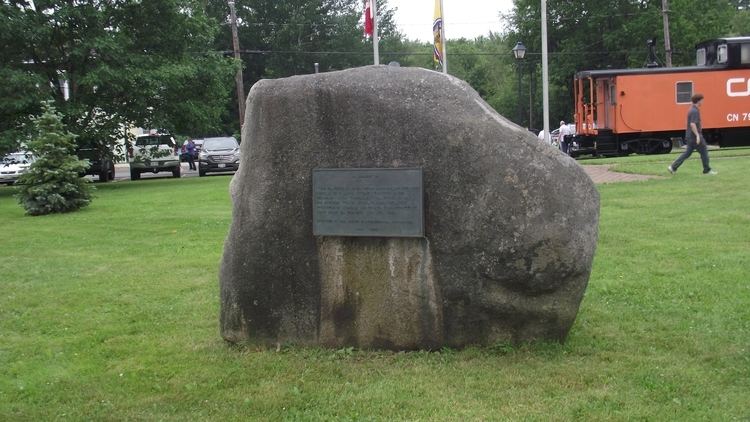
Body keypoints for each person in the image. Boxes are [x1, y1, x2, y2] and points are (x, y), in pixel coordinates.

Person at [668, 93, 716, 175]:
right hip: (694, 136)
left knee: (687, 153)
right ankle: (707, 170)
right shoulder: (694, 111)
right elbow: (692, 124)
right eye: (702, 100)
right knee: (704, 151)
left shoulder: (691, 109)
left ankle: (673, 167)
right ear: (698, 101)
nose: (703, 102)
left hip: (690, 136)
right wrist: (697, 135)